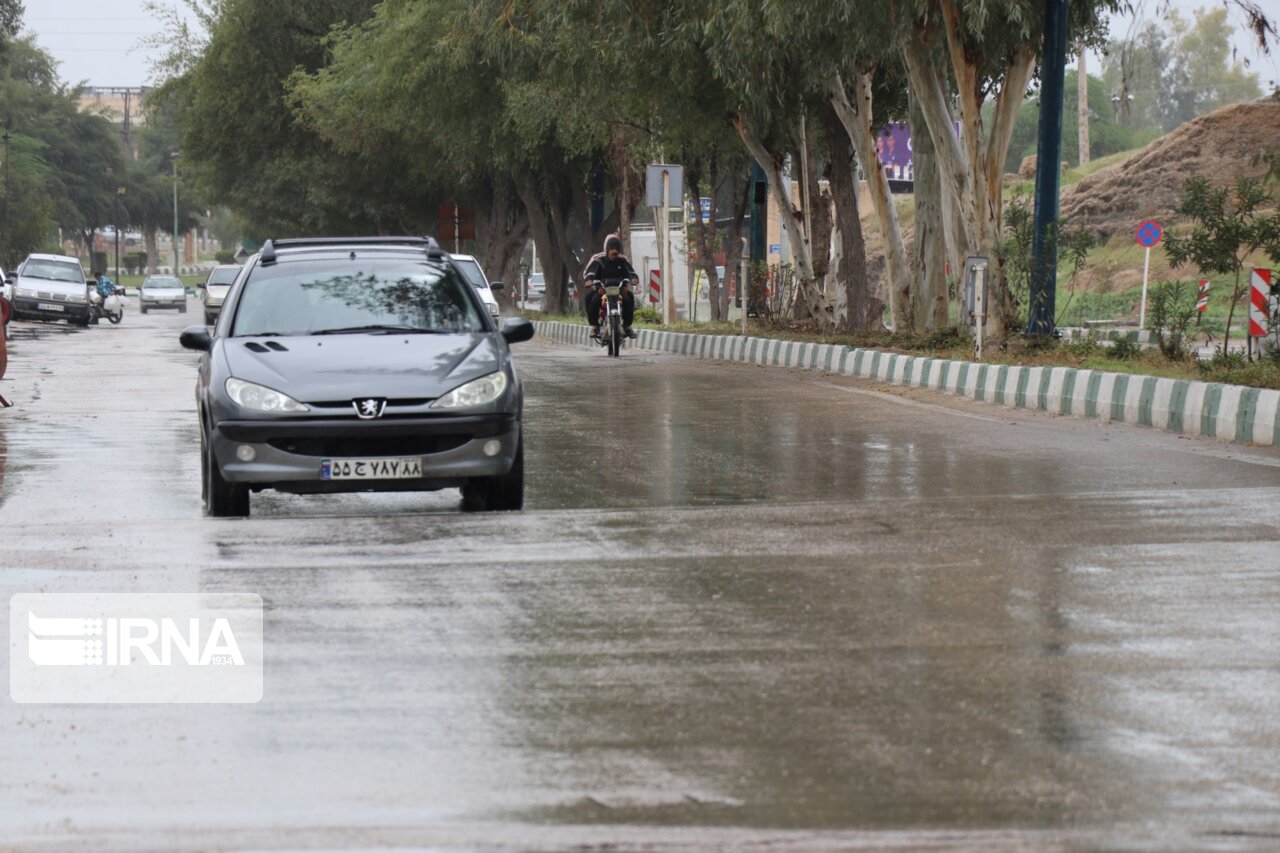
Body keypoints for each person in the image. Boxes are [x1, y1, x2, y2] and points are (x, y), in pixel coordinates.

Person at [582, 234, 638, 339]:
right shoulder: (599, 260)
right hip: (602, 289)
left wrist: (633, 279)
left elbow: (630, 272)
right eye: (611, 249)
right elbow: (591, 272)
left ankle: (627, 326)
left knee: (629, 298)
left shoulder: (622, 260)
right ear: (607, 249)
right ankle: (594, 326)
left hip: (619, 289)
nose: (614, 252)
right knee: (592, 300)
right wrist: (590, 281)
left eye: (616, 249)